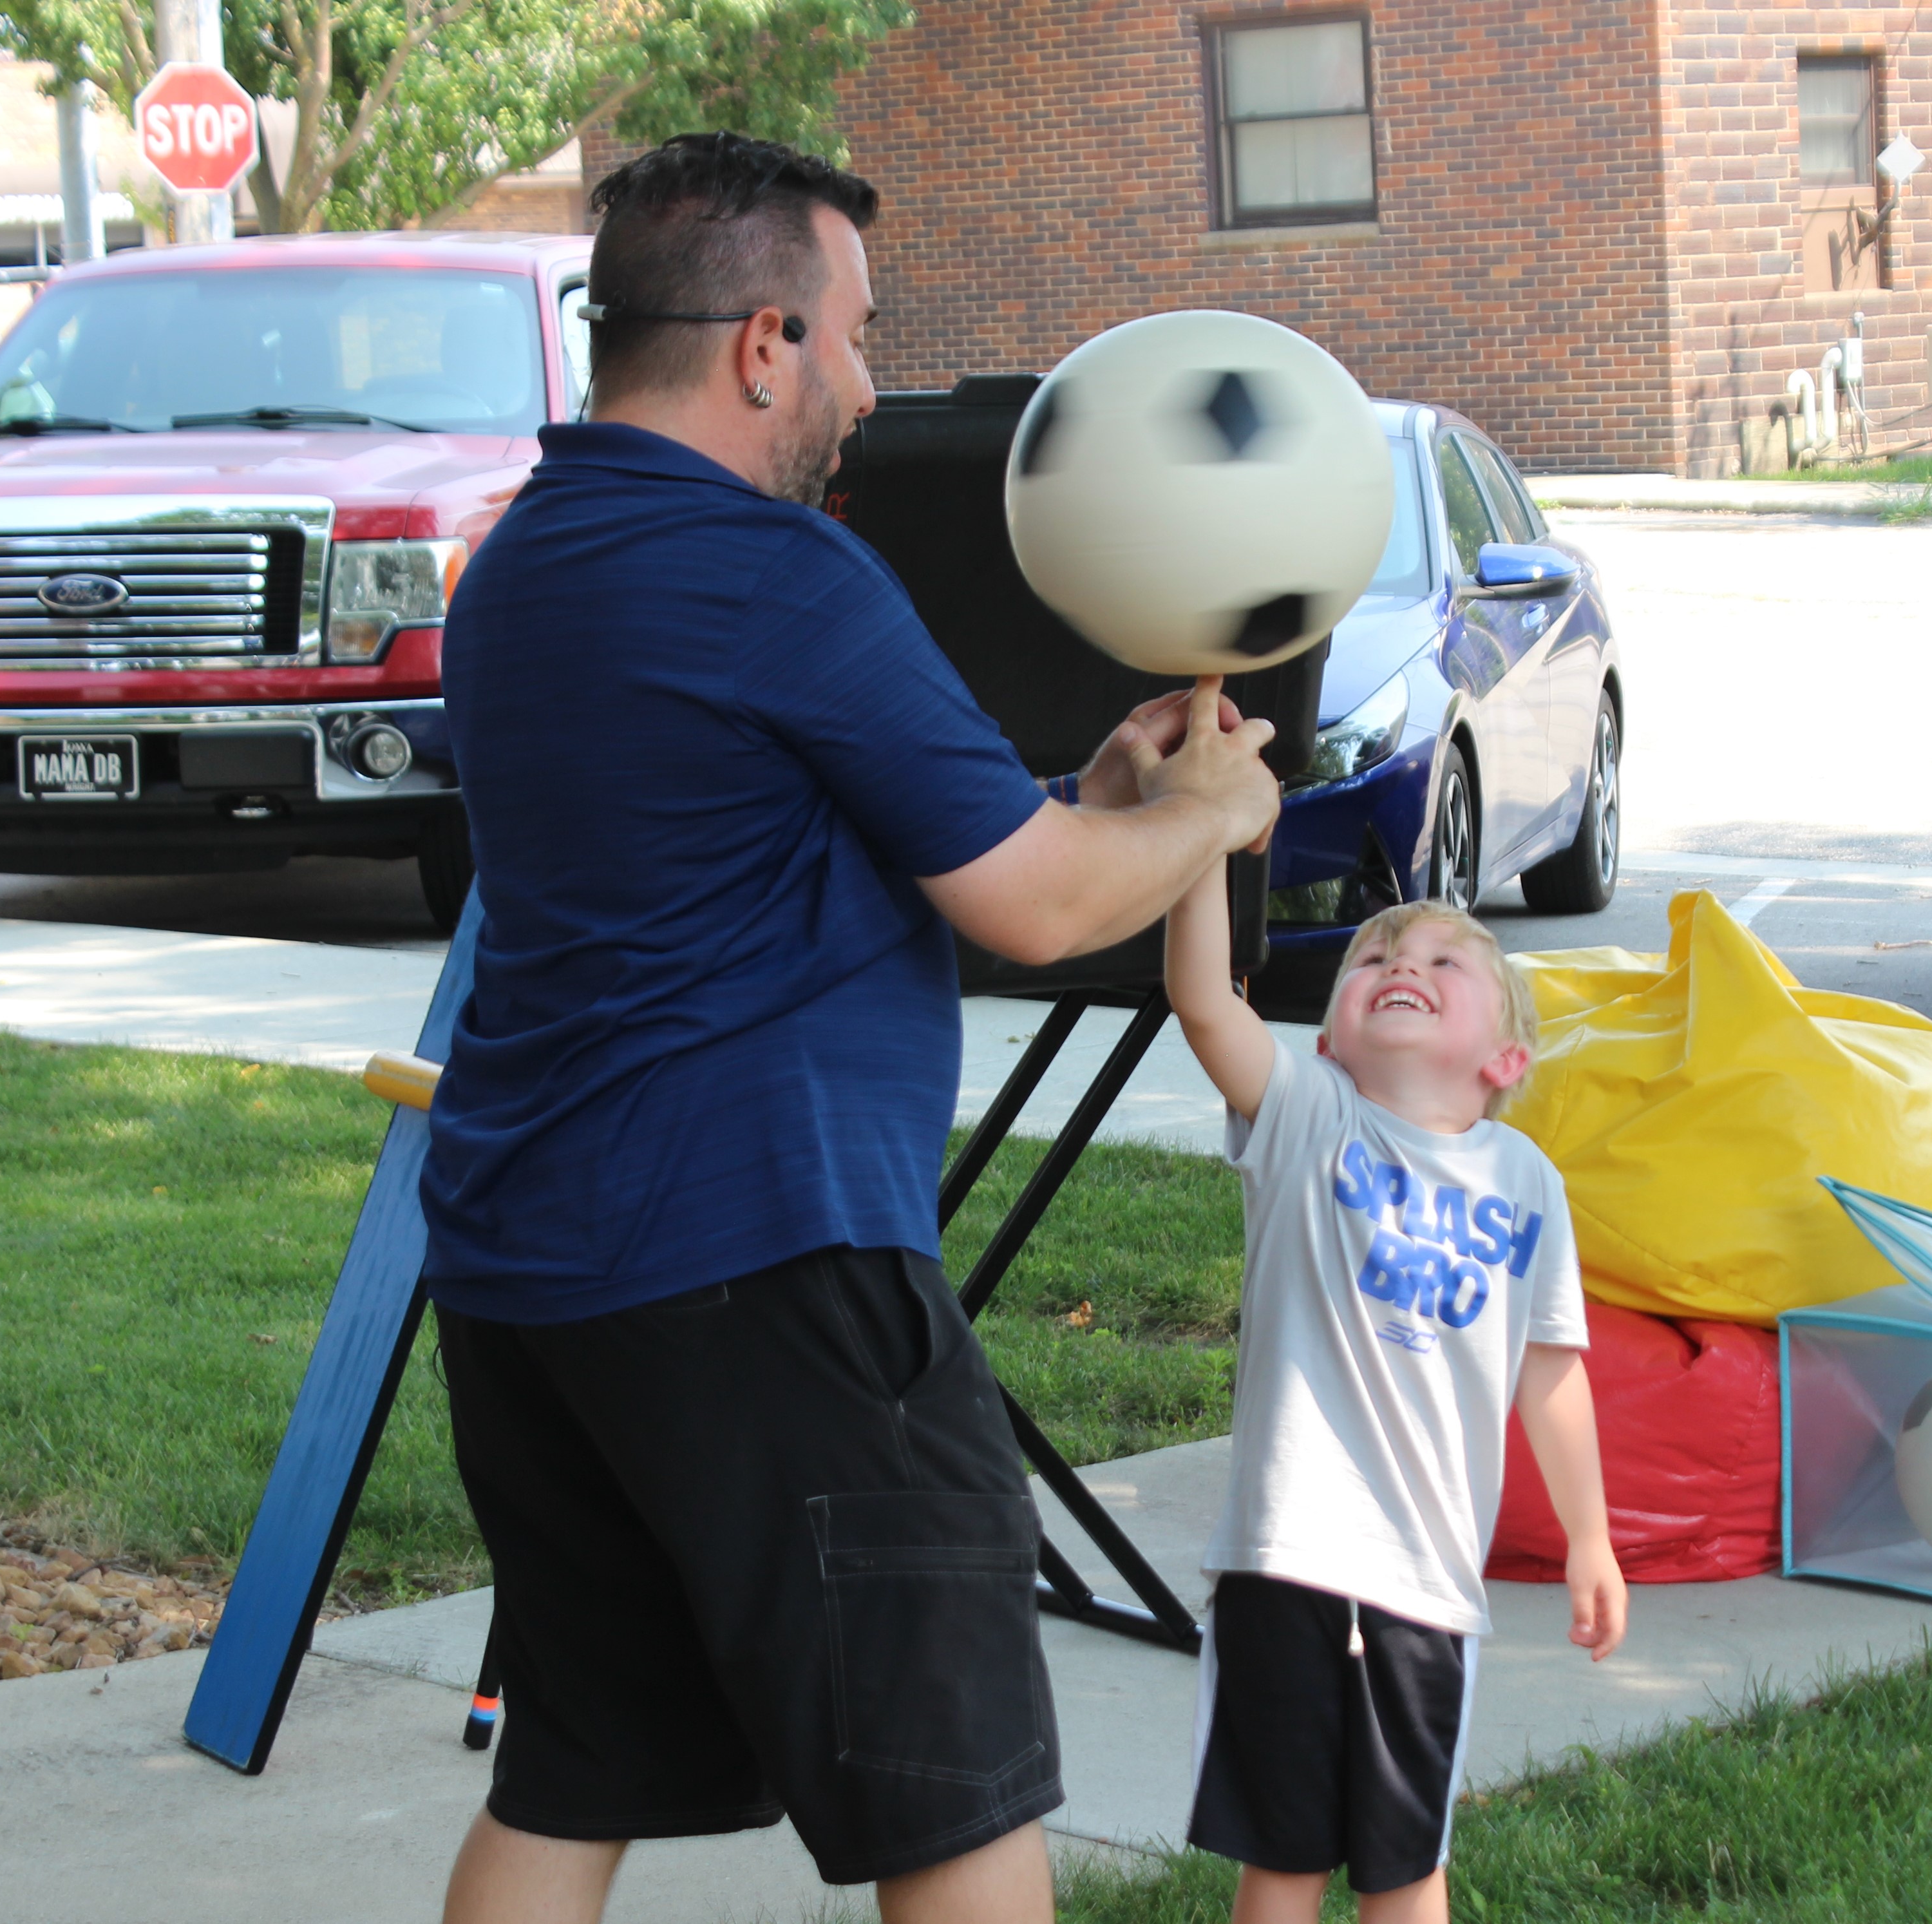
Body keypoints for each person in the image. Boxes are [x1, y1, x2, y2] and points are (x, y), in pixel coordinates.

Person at [419, 134, 1282, 1924]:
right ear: (761, 345)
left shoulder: (522, 569)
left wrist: (1089, 792)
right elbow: (1038, 906)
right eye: (855, 335)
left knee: (575, 1759)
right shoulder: (782, 578)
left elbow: (780, 835)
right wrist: (1200, 818)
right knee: (949, 1780)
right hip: (770, 1265)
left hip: (530, 1273)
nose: (869, 386)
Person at [1162, 862, 1629, 1924]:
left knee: (1405, 1869)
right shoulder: (1307, 1119)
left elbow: (1550, 1369)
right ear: (1326, 1036)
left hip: (1427, 1585)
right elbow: (1200, 1002)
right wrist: (1197, 844)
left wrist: (1588, 1539)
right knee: (1280, 1861)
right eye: (1372, 956)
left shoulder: (1527, 1183)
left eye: (1442, 960)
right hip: (1282, 1563)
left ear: (1504, 1056)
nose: (1399, 964)